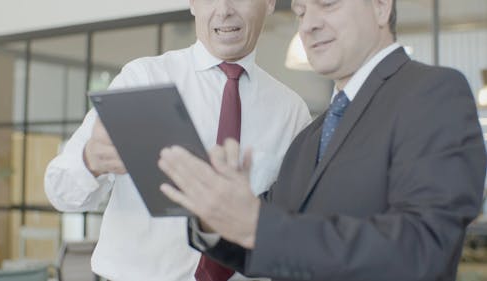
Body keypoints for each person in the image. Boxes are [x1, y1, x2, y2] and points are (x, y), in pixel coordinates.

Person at [158, 0, 487, 280]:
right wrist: (212, 213)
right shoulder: (309, 137)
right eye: (301, 12)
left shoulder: (432, 92)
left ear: (381, 6)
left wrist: (257, 226)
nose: (309, 25)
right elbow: (264, 228)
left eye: (327, 3)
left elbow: (422, 248)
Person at [44, 0, 311, 280]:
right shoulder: (143, 78)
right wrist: (90, 162)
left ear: (269, 3)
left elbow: (291, 226)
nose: (223, 10)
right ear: (193, 4)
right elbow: (59, 190)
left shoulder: (292, 112)